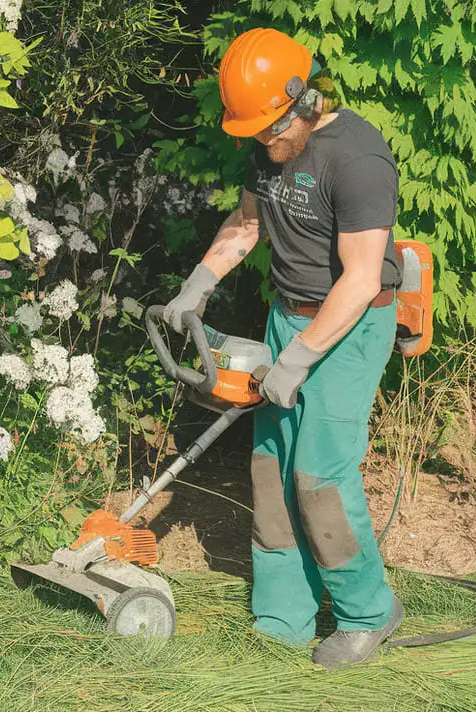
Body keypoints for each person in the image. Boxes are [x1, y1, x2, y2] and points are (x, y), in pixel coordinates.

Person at [162, 27, 404, 668]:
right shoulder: (265, 147)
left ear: (304, 99)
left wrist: (299, 359)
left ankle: (366, 613)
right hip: (285, 319)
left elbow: (359, 277)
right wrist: (199, 284)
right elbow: (246, 223)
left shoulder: (357, 158)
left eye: (272, 128)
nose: (265, 142)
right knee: (270, 469)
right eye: (255, 132)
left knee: (319, 474)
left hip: (347, 330)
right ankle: (283, 617)